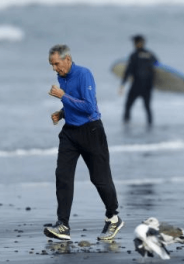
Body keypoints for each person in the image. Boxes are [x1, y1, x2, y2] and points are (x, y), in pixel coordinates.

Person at [44, 44, 124, 241]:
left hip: (91, 130)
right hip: (70, 133)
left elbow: (89, 107)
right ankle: (63, 225)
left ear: (67, 60)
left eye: (56, 64)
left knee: (100, 179)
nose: (54, 69)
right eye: (52, 65)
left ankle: (113, 218)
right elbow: (73, 102)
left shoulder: (84, 74)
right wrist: (62, 113)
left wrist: (63, 97)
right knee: (62, 176)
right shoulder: (61, 76)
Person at [119, 34, 158, 126]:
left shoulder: (134, 55)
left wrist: (122, 84)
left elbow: (128, 70)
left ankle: (126, 126)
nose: (134, 44)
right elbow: (158, 68)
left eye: (136, 42)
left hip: (137, 86)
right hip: (147, 87)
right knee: (147, 108)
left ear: (141, 43)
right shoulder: (150, 55)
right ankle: (150, 127)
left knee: (128, 106)